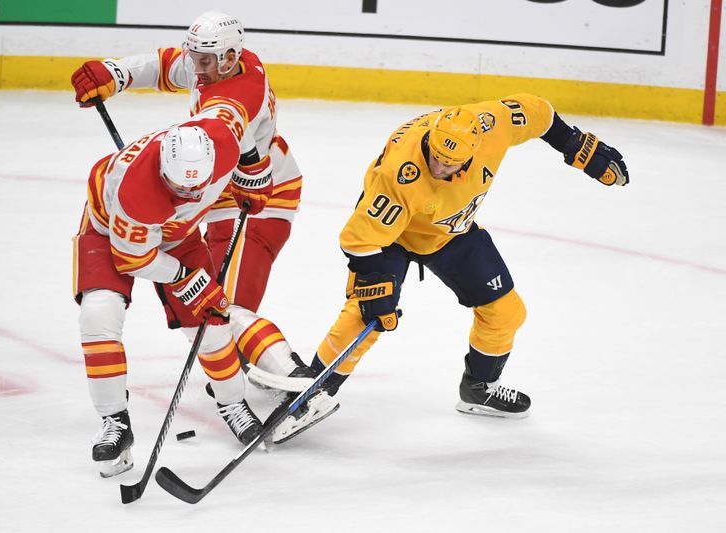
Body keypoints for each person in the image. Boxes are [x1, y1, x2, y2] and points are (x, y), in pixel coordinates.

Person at [271, 93, 630, 443]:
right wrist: (375, 284)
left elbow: (539, 112)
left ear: (473, 152)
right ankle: (311, 392)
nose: (439, 167)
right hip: (391, 237)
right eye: (436, 157)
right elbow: (358, 238)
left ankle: (479, 387)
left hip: (449, 233)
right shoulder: (401, 173)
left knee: (506, 312)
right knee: (366, 315)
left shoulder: (492, 126)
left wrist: (576, 145)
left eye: (450, 163)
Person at [70, 11, 315, 396]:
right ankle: (257, 370)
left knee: (220, 303)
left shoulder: (233, 100)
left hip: (259, 194)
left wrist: (145, 175)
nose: (195, 68)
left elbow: (243, 151)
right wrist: (114, 73)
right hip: (220, 191)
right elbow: (169, 65)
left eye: (204, 61)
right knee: (212, 306)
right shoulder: (221, 65)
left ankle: (294, 378)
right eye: (196, 57)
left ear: (229, 57)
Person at [73, 103, 271, 477]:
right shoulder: (138, 195)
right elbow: (134, 259)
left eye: (197, 185)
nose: (190, 193)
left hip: (175, 232)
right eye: (179, 186)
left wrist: (253, 174)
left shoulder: (220, 139)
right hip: (109, 229)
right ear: (164, 170)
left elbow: (243, 128)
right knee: (99, 315)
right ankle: (114, 422)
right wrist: (187, 279)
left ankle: (232, 402)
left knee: (211, 322)